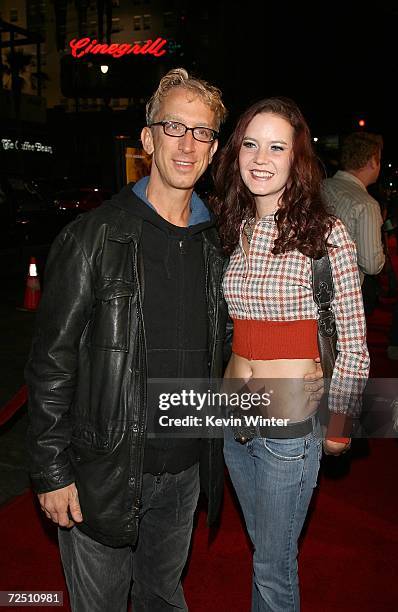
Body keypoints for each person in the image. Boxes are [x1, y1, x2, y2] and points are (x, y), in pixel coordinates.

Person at [25, 68, 230, 612]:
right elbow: (51, 362)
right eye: (174, 127)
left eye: (202, 132)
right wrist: (51, 469)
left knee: (163, 597)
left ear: (214, 148)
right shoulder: (92, 237)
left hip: (184, 472)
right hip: (104, 471)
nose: (187, 144)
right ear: (147, 139)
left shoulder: (216, 249)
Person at [211, 97, 370, 611]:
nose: (261, 157)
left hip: (291, 420)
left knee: (271, 564)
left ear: (296, 158)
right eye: (251, 145)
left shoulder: (328, 235)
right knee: (265, 552)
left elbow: (355, 346)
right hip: (233, 414)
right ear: (235, 154)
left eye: (277, 146)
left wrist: (340, 424)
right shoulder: (234, 230)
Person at [322, 132, 385, 313]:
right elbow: (372, 265)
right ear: (372, 161)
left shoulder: (321, 186)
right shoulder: (365, 204)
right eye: (379, 159)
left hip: (312, 287)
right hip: (344, 299)